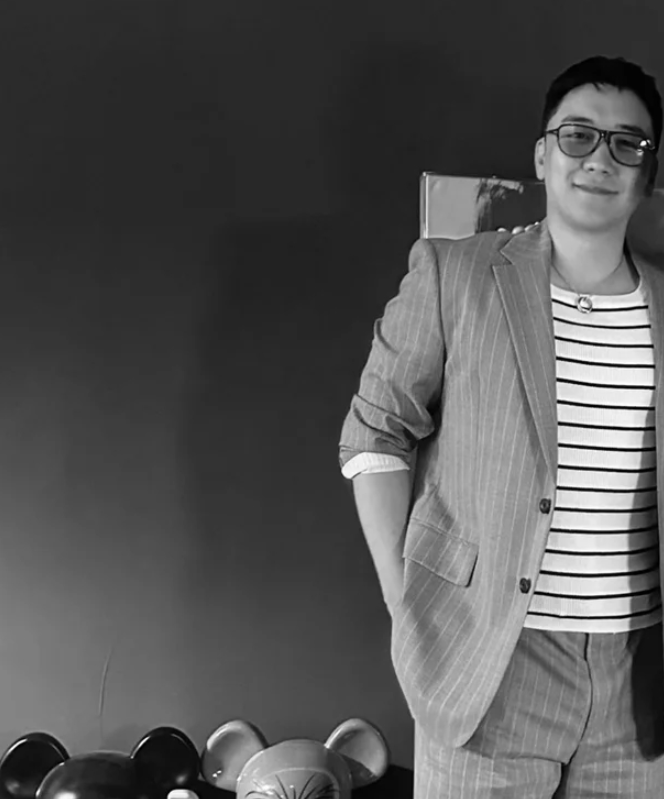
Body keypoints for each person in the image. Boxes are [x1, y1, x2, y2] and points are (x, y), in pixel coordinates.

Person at [338, 55, 664, 797]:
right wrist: (404, 603)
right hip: (486, 663)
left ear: (646, 174)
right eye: (578, 135)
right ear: (543, 155)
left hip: (641, 687)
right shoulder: (455, 273)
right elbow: (374, 434)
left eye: (628, 143)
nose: (600, 158)